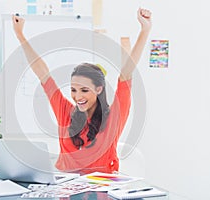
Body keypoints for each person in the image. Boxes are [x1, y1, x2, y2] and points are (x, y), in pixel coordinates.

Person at [12, 8, 152, 175]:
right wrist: (20, 35)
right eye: (73, 90)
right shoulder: (65, 111)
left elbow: (127, 72)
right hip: (62, 187)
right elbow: (42, 72)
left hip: (99, 191)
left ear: (98, 89)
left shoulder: (113, 117)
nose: (77, 96)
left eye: (84, 90)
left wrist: (145, 30)